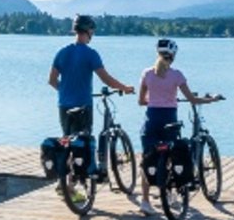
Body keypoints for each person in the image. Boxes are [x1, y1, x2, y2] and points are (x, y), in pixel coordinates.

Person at [48, 16, 133, 173]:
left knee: (67, 140)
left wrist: (66, 90)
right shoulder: (90, 54)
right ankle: (85, 177)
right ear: (88, 31)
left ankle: (64, 184)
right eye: (92, 30)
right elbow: (106, 79)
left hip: (64, 104)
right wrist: (125, 88)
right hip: (83, 104)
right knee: (83, 141)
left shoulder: (62, 52)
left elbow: (52, 81)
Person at [138, 38, 220, 171]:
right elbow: (192, 99)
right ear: (173, 55)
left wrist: (155, 101)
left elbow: (141, 101)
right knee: (173, 154)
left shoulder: (147, 74)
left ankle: (146, 192)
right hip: (169, 119)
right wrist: (212, 99)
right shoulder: (176, 75)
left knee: (149, 160)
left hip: (151, 120)